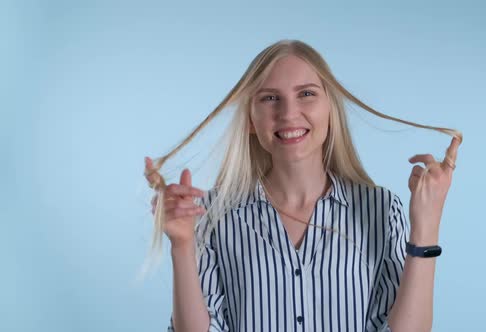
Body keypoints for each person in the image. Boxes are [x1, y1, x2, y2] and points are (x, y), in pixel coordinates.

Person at [143, 39, 462, 332]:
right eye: (270, 98)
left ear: (330, 110)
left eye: (306, 93)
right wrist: (182, 245)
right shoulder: (210, 215)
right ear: (251, 121)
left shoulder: (380, 210)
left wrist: (428, 225)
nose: (288, 113)